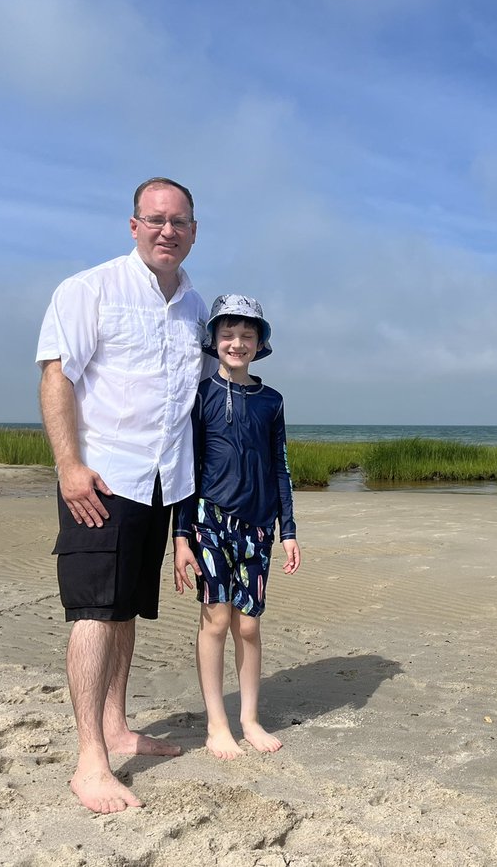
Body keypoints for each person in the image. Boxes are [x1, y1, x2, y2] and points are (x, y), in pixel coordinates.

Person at [36, 177, 211, 814]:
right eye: (156, 219)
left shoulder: (196, 307)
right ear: (133, 224)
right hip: (103, 477)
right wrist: (69, 465)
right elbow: (58, 374)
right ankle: (90, 761)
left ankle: (116, 726)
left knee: (127, 608)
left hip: (162, 481)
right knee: (93, 610)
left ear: (194, 230)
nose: (168, 230)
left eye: (180, 221)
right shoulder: (90, 288)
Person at [172, 294, 301, 759]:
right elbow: (187, 470)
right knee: (216, 620)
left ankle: (249, 718)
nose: (237, 342)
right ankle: (216, 724)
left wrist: (288, 530)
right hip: (208, 520)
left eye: (248, 335)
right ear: (214, 340)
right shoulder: (200, 395)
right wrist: (181, 536)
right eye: (228, 334)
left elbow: (281, 468)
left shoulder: (272, 401)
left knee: (248, 627)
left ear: (260, 343)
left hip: (259, 528)